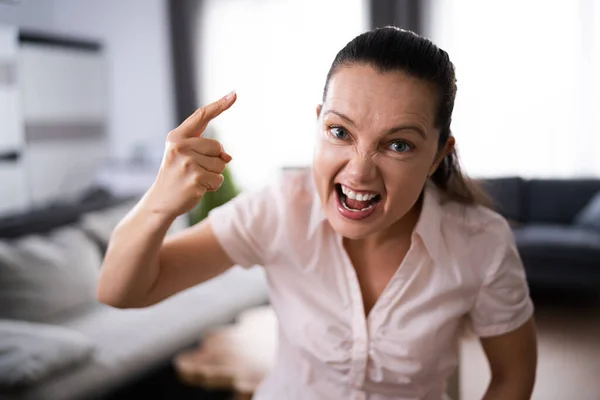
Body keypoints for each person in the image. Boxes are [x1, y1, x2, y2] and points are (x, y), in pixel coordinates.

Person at [97, 26, 537, 400]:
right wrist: (160, 202)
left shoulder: (481, 242)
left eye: (398, 144)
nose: (359, 171)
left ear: (439, 153)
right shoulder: (279, 208)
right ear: (319, 124)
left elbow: (512, 374)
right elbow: (121, 291)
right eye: (340, 131)